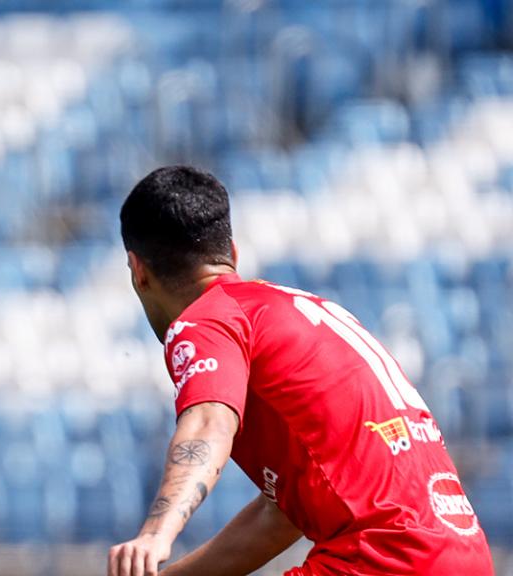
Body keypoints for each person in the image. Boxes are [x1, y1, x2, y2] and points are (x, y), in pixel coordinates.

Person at [107, 166, 494, 576]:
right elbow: (280, 517)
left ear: (138, 270)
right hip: (463, 556)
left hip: (380, 558)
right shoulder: (308, 311)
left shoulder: (208, 320)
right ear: (232, 254)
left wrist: (156, 534)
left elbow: (209, 423)